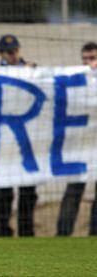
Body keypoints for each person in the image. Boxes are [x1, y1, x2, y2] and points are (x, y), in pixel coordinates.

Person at [0, 34, 38, 237]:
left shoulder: (33, 70)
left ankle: (26, 230)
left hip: (28, 139)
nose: (12, 55)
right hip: (4, 142)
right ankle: (4, 230)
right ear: (1, 54)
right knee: (4, 192)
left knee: (28, 191)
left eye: (14, 51)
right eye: (8, 52)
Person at [56, 42, 97, 236]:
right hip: (81, 147)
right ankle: (63, 235)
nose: (88, 63)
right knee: (73, 191)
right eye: (85, 59)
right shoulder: (74, 82)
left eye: (92, 58)